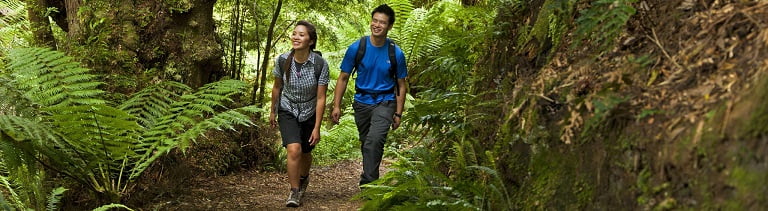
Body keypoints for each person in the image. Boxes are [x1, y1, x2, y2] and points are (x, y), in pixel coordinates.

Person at [331, 4, 408, 187]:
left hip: (385, 101)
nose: (377, 25)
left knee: (374, 141)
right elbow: (343, 78)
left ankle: (369, 185)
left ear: (389, 26)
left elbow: (401, 85)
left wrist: (398, 113)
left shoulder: (395, 53)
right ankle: (369, 177)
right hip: (361, 102)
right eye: (375, 20)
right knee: (367, 142)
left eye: (382, 22)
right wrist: (336, 105)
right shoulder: (357, 48)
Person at [269, 20, 329, 207]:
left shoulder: (320, 64)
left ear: (311, 41)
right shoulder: (282, 60)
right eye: (295, 33)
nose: (296, 37)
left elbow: (321, 98)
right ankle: (294, 191)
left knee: (305, 151)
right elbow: (277, 87)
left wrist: (317, 127)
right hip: (287, 108)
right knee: (293, 149)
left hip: (310, 111)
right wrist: (272, 111)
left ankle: (304, 178)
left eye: (301, 35)